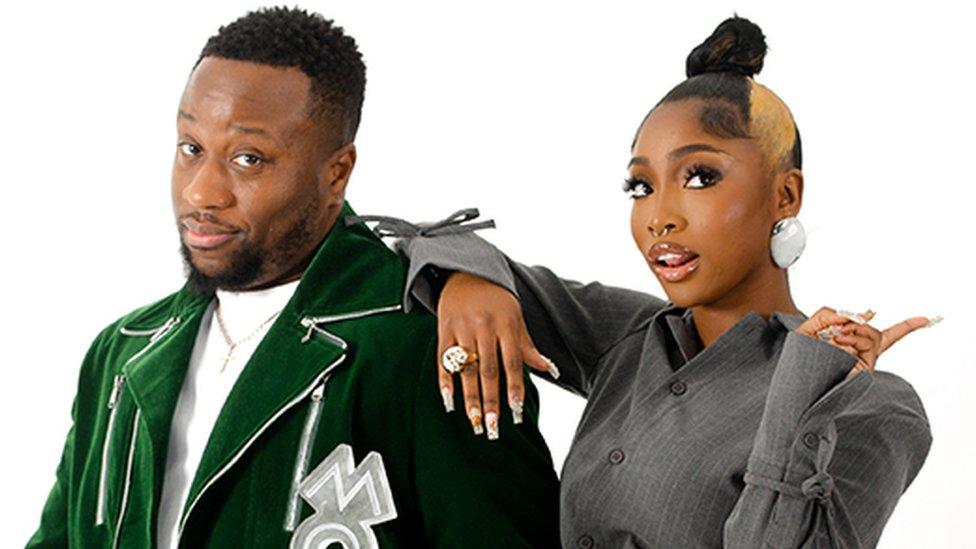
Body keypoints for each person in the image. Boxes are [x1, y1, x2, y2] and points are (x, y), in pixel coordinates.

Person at [26, 7, 560, 548]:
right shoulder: (120, 353)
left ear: (337, 173)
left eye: (249, 158)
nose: (201, 193)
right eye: (191, 149)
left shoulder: (433, 347)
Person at [392, 16, 935, 548]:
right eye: (641, 186)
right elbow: (416, 240)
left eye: (700, 177)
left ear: (785, 196)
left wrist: (806, 385)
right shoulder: (629, 338)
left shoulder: (873, 406)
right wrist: (472, 281)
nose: (659, 217)